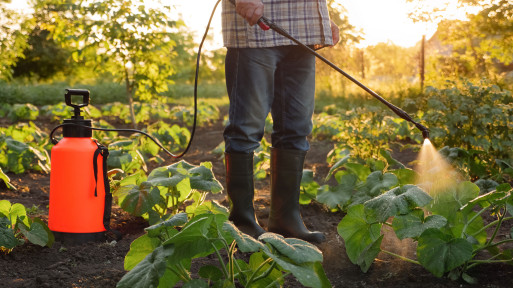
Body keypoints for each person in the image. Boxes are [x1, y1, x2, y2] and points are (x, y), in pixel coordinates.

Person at [222, 0, 340, 244]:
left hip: (303, 30)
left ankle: (286, 219)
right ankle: (241, 222)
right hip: (256, 28)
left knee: (296, 129)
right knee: (246, 130)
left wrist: (320, 17)